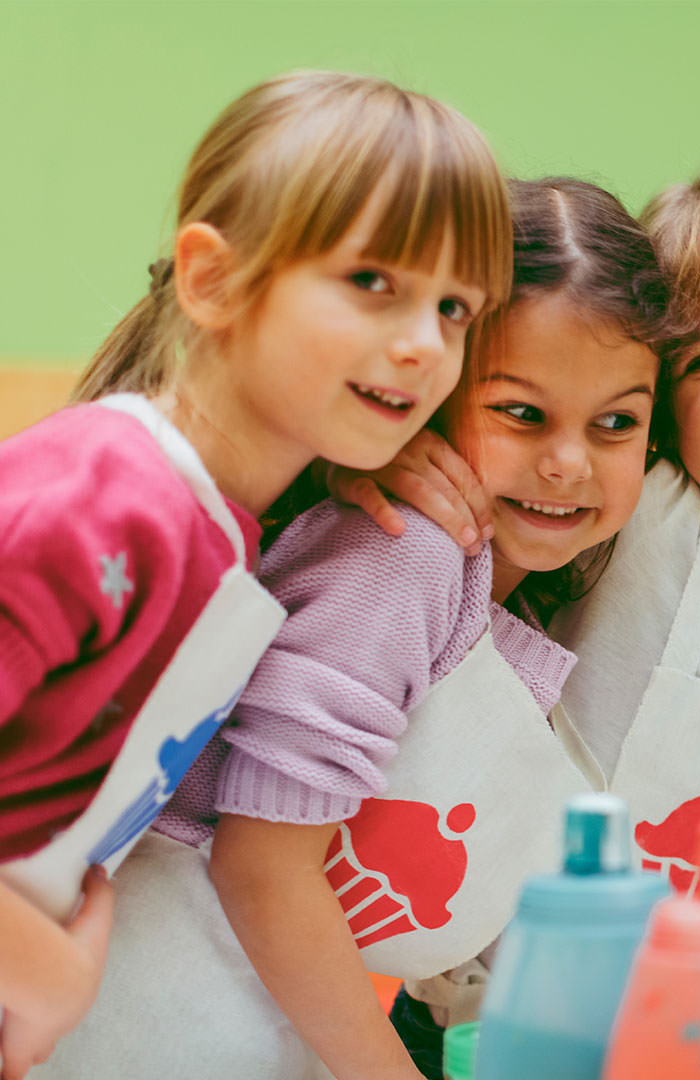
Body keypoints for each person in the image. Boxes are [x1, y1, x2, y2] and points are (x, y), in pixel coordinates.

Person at [40, 174, 634, 1080]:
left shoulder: (491, 578)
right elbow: (264, 868)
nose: (566, 463)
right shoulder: (405, 555)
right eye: (520, 412)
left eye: (617, 423)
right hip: (156, 1014)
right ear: (428, 388)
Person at [0, 70, 508, 1080]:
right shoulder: (99, 500)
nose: (422, 344)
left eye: (455, 309)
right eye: (374, 282)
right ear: (213, 280)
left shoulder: (222, 528)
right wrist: (45, 975)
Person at [359, 159, 700, 1075]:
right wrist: (385, 457)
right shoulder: (632, 514)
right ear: (661, 409)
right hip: (481, 1036)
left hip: (697, 1047)